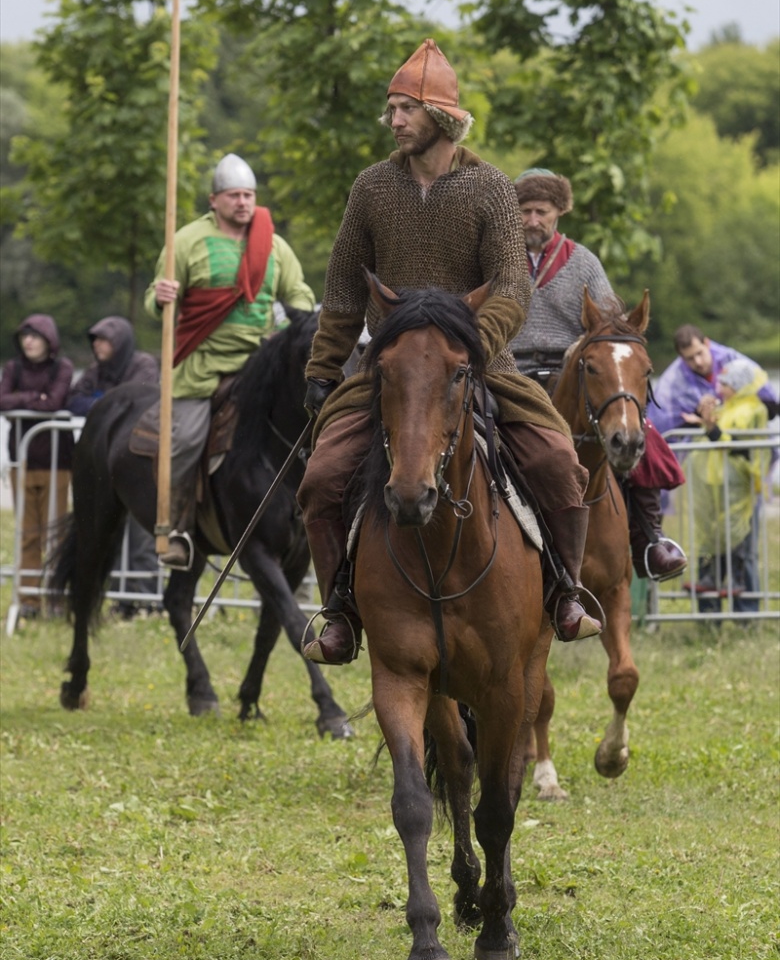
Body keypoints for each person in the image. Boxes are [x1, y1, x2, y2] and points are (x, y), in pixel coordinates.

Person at [298, 38, 604, 666]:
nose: (394, 120)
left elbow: (512, 288)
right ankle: (340, 612)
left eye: (404, 109)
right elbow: (342, 291)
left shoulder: (489, 188)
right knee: (323, 477)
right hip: (389, 370)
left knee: (556, 462)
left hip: (479, 365)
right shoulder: (371, 188)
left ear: (440, 115)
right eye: (391, 109)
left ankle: (566, 593)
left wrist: (470, 348)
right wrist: (324, 368)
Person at [510, 169, 687, 583]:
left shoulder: (583, 261)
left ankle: (649, 538)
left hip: (574, 368)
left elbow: (609, 323)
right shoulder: (497, 257)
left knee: (636, 430)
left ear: (559, 212)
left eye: (542, 211)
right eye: (525, 211)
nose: (533, 219)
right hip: (510, 370)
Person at [145, 153, 316, 568]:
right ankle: (177, 526)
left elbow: (300, 298)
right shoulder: (187, 240)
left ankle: (313, 522)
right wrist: (162, 297)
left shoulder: (273, 245)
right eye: (234, 195)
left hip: (260, 366)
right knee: (184, 440)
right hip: (201, 368)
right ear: (214, 200)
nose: (243, 202)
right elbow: (154, 298)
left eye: (249, 195)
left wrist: (295, 325)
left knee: (310, 427)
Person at [67, 316, 161, 616]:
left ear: (119, 342)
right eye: (94, 339)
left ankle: (145, 600)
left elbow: (138, 402)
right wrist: (108, 405)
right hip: (108, 462)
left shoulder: (143, 364)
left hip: (141, 461)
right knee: (108, 531)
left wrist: (103, 404)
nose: (97, 345)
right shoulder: (97, 371)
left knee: (142, 535)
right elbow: (75, 400)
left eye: (103, 339)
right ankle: (123, 601)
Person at [0, 314, 74, 617]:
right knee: (27, 534)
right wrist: (35, 397)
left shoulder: (63, 368)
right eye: (24, 336)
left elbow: (55, 401)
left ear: (49, 339)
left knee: (54, 534)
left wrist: (23, 400)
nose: (28, 341)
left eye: (35, 336)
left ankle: (55, 599)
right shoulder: (12, 368)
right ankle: (29, 601)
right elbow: (2, 400)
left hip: (57, 462)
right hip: (22, 461)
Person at [691, 358, 772, 615]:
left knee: (741, 553)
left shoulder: (753, 409)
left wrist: (713, 429)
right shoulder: (725, 407)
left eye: (725, 383)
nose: (720, 386)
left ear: (740, 385)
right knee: (712, 547)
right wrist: (703, 417)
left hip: (739, 493)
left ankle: (746, 615)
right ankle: (708, 614)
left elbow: (738, 445)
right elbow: (712, 438)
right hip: (715, 489)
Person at [648, 324, 779, 433]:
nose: (698, 362)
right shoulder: (671, 383)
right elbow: (661, 429)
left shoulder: (733, 360)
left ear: (707, 343)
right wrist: (700, 415)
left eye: (699, 353)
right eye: (690, 358)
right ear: (680, 357)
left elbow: (771, 405)